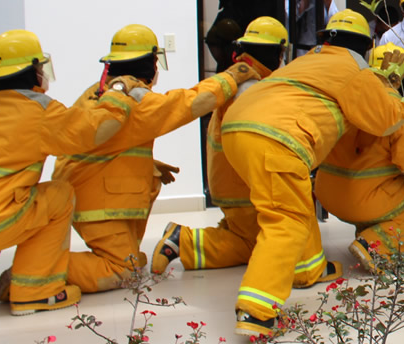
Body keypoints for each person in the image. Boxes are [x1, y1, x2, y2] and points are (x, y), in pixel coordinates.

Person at [221, 8, 404, 338]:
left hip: (237, 129)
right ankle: (256, 311)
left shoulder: (307, 60)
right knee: (286, 220)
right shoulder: (356, 70)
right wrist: (390, 82)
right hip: (277, 138)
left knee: (293, 201)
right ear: (365, 46)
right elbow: (387, 122)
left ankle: (310, 268)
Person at [51, 24, 255, 293]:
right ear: (150, 63)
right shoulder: (135, 101)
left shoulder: (101, 90)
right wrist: (231, 77)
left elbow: (104, 142)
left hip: (84, 189)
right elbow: (189, 103)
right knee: (123, 270)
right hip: (96, 201)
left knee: (133, 257)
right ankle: (37, 271)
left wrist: (147, 164)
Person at [0, 30, 136, 315]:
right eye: (39, 68)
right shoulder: (37, 111)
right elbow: (94, 130)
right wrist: (119, 93)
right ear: (31, 72)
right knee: (57, 195)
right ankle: (36, 292)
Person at [150, 17, 289, 276]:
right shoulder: (250, 86)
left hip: (227, 180)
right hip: (240, 185)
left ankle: (190, 238)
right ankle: (183, 241)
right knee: (254, 244)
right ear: (277, 51)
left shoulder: (242, 77)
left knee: (242, 230)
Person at [315, 43, 404, 273]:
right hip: (365, 199)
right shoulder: (398, 109)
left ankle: (368, 235)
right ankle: (373, 246)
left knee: (388, 190)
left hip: (327, 193)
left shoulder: (345, 96)